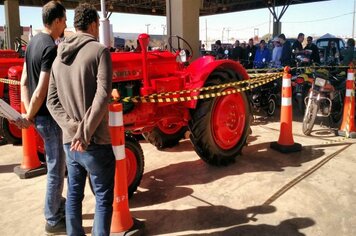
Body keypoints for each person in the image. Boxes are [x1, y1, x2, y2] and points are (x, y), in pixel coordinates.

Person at [46, 3, 115, 236]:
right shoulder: (99, 51)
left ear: (75, 25)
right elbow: (103, 95)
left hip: (70, 143)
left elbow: (51, 102)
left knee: (74, 194)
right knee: (104, 199)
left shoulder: (58, 59)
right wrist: (84, 133)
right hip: (94, 142)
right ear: (94, 24)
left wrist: (74, 130)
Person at [19, 1, 67, 234]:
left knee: (56, 164)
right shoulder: (50, 48)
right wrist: (31, 114)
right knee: (56, 168)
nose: (66, 25)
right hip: (49, 118)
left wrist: (29, 114)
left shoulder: (33, 43)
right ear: (57, 21)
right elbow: (42, 90)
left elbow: (25, 82)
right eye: (64, 20)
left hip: (39, 118)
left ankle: (58, 203)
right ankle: (53, 217)